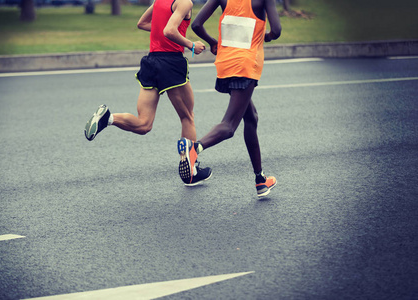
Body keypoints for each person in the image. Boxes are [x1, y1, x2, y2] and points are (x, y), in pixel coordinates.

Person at [84, 0, 212, 186]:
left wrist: (168, 31)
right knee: (187, 117)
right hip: (171, 63)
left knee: (144, 124)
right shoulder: (184, 2)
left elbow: (142, 23)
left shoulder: (160, 0)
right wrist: (191, 44)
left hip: (151, 62)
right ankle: (191, 170)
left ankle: (108, 118)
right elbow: (169, 30)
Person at [177, 0, 282, 197]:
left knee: (251, 117)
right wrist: (265, 37)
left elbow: (196, 24)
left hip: (225, 64)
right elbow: (276, 30)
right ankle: (195, 148)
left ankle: (260, 180)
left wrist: (213, 42)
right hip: (246, 66)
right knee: (229, 125)